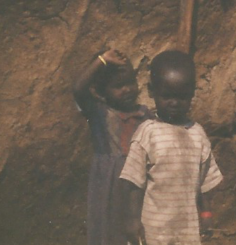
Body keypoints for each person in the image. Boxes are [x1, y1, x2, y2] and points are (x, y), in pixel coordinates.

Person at [119, 50, 223, 245]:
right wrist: (132, 220)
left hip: (187, 231)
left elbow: (205, 184)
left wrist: (207, 214)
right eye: (167, 96)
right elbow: (133, 183)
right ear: (152, 91)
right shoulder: (147, 133)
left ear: (192, 92)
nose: (174, 103)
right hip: (155, 232)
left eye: (182, 97)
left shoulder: (197, 134)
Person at [73, 48, 153, 245]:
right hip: (110, 185)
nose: (126, 89)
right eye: (118, 86)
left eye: (130, 83)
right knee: (109, 231)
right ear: (101, 92)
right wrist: (102, 60)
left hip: (139, 185)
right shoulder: (99, 113)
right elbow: (78, 90)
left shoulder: (146, 115)